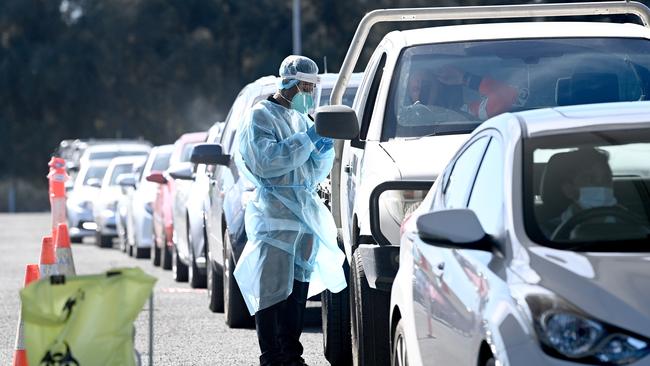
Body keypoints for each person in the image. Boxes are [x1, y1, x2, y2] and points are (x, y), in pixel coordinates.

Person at [233, 55, 347, 366]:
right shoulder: (260, 117)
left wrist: (321, 151)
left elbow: (310, 171)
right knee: (272, 291)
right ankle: (272, 356)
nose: (309, 95)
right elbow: (266, 162)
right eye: (305, 88)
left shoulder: (300, 120)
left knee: (298, 288)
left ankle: (292, 355)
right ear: (289, 85)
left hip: (302, 215)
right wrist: (306, 141)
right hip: (274, 216)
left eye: (313, 88)